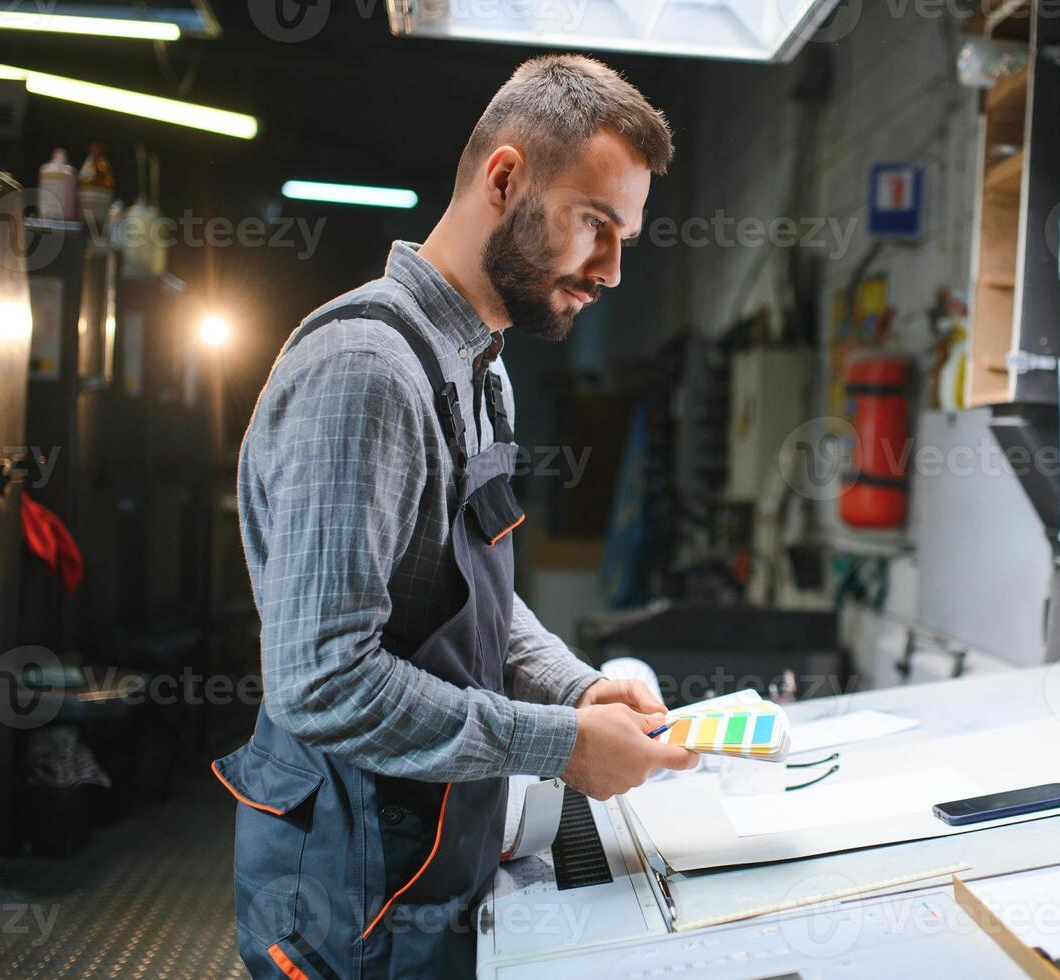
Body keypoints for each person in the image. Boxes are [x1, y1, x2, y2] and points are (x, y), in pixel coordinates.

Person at [213, 55, 698, 979]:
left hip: (431, 862)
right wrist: (559, 747)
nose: (611, 270)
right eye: (595, 225)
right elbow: (320, 683)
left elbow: (470, 592)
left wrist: (572, 689)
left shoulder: (479, 368)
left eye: (624, 237)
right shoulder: (366, 372)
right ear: (505, 179)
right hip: (348, 899)